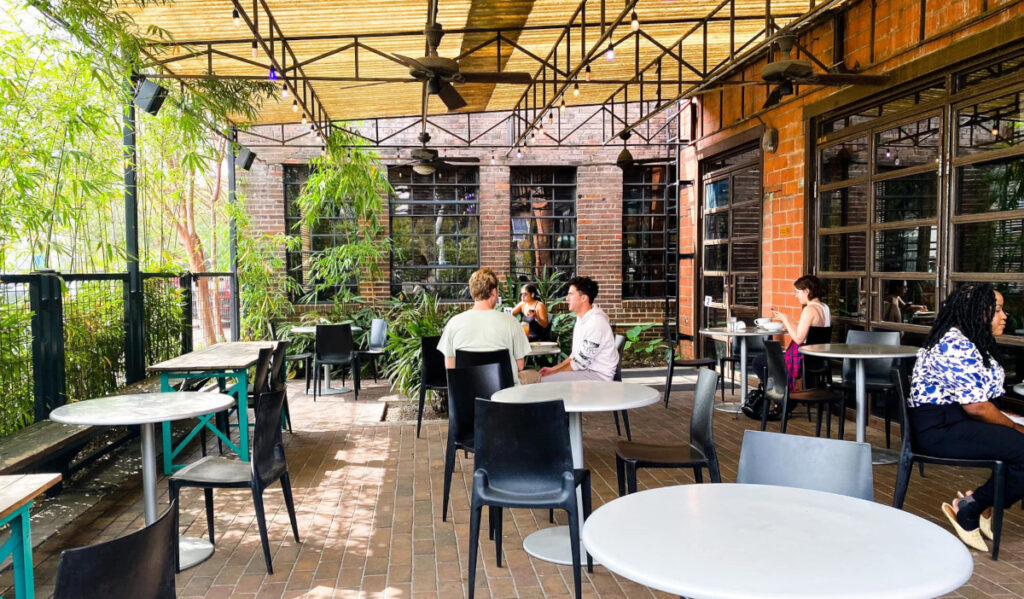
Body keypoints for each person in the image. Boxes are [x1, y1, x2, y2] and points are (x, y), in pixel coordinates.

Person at [908, 283, 1016, 553]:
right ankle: (970, 509)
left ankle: (982, 505)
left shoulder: (975, 341)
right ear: (977, 311)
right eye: (998, 310)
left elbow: (986, 397)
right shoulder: (954, 344)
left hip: (961, 422)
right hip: (939, 430)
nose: (1005, 316)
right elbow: (977, 407)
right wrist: (1015, 426)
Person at [438, 267, 540, 385]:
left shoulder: (453, 323)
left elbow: (450, 369)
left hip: (466, 395)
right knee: (536, 375)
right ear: (494, 292)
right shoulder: (511, 322)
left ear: (472, 292)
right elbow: (520, 366)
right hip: (504, 396)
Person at [752, 274, 831, 390]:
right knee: (770, 360)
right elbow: (807, 330)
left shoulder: (809, 310)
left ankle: (779, 394)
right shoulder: (825, 308)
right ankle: (782, 394)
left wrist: (785, 319)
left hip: (803, 358)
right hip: (818, 358)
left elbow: (799, 339)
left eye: (797, 292)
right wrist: (788, 319)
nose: (796, 296)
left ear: (806, 291)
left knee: (758, 362)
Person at [538, 276, 618, 382]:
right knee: (544, 379)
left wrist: (553, 373)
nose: (567, 298)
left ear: (584, 298)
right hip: (585, 371)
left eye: (571, 294)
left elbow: (579, 364)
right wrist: (553, 370)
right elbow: (575, 357)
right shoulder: (582, 319)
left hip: (598, 377)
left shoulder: (596, 323)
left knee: (543, 382)